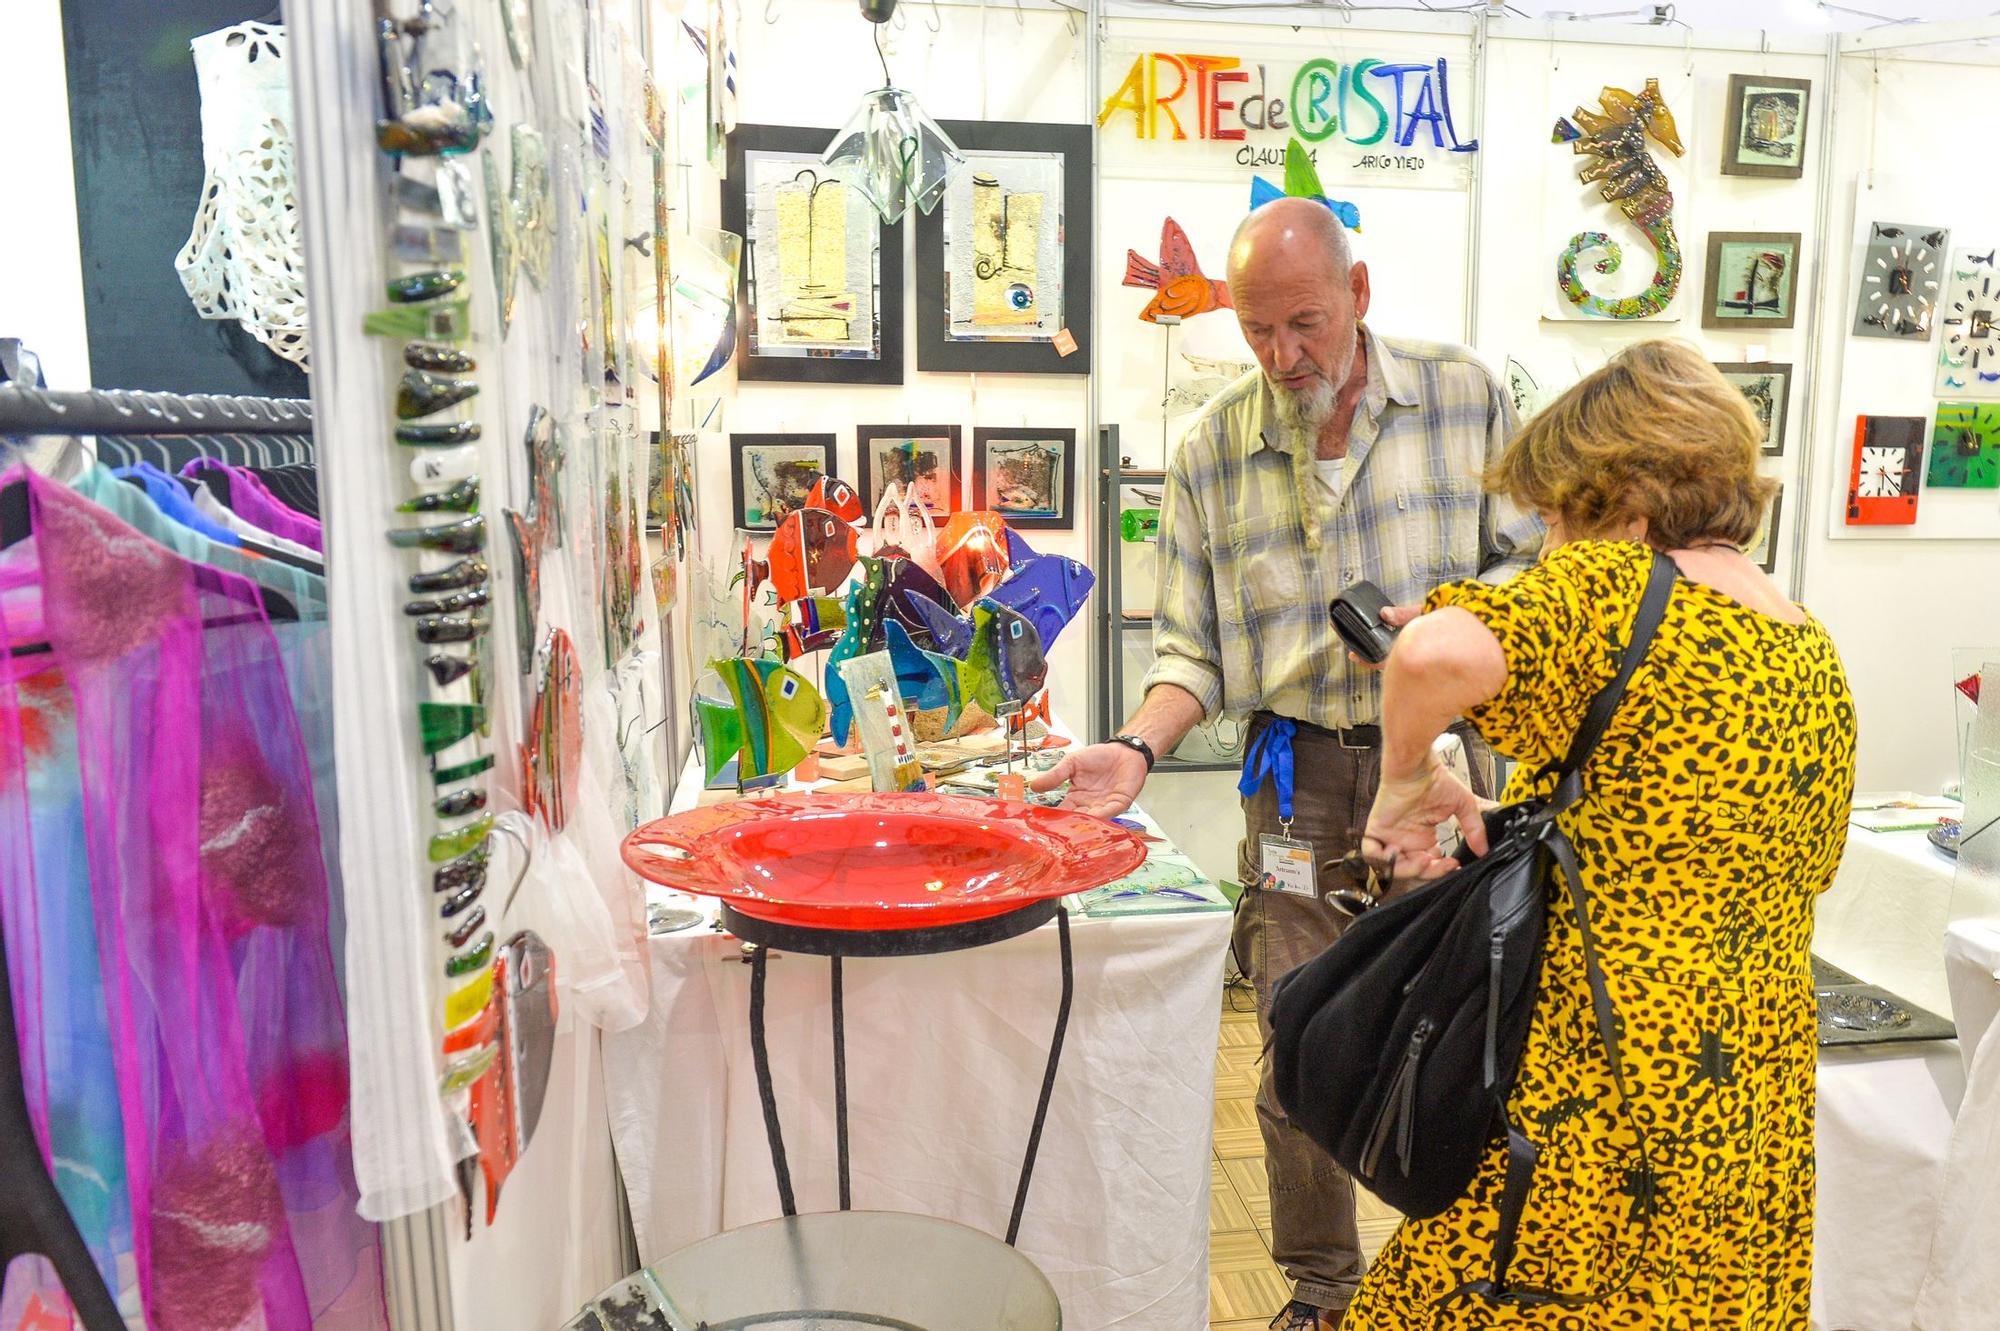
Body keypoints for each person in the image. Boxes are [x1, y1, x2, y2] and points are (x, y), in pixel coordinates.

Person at [1031, 197, 1541, 1330]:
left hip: (1453, 776)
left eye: (1304, 323)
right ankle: (1319, 1287)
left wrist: (1447, 622)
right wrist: (1134, 747)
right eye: (1257, 331)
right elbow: (1191, 648)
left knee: (1472, 1034)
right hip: (1295, 784)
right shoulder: (1214, 442)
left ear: (1357, 295)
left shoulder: (1464, 397)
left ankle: (1457, 1275)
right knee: (1296, 1041)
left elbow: (1541, 577)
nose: (1281, 356)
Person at [1348, 339, 1857, 1328]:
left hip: (1604, 1080)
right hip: (1745, 1087)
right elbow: (1706, 841)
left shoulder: (1611, 590)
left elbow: (1430, 647)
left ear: (1614, 494)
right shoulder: (1802, 638)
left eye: (1552, 514)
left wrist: (1405, 776)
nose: (1546, 543)